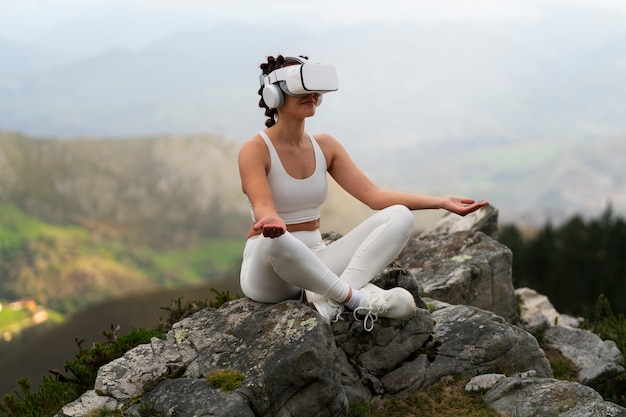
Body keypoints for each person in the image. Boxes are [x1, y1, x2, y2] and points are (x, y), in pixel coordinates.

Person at [238, 54, 489, 331]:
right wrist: (270, 219)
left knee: (400, 216)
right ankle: (355, 299)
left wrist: (440, 202)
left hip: (319, 261)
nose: (311, 94)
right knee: (275, 240)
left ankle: (328, 298)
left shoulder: (325, 146)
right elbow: (263, 205)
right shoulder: (255, 149)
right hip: (270, 271)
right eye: (299, 86)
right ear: (274, 94)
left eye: (314, 87)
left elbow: (374, 196)